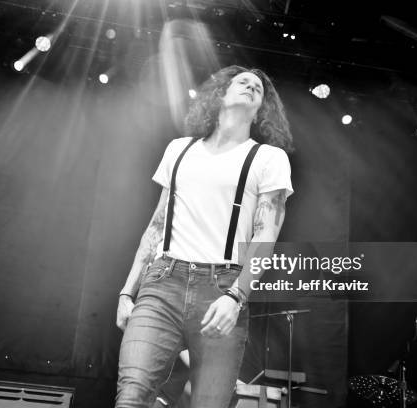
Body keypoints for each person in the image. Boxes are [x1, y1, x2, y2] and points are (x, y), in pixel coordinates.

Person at [115, 65, 294, 408]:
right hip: (162, 283)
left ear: (261, 110)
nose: (251, 87)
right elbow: (156, 225)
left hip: (222, 288)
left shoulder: (269, 158)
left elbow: (266, 232)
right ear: (220, 95)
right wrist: (127, 291)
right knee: (132, 395)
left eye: (259, 87)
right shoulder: (179, 149)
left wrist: (237, 296)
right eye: (242, 81)